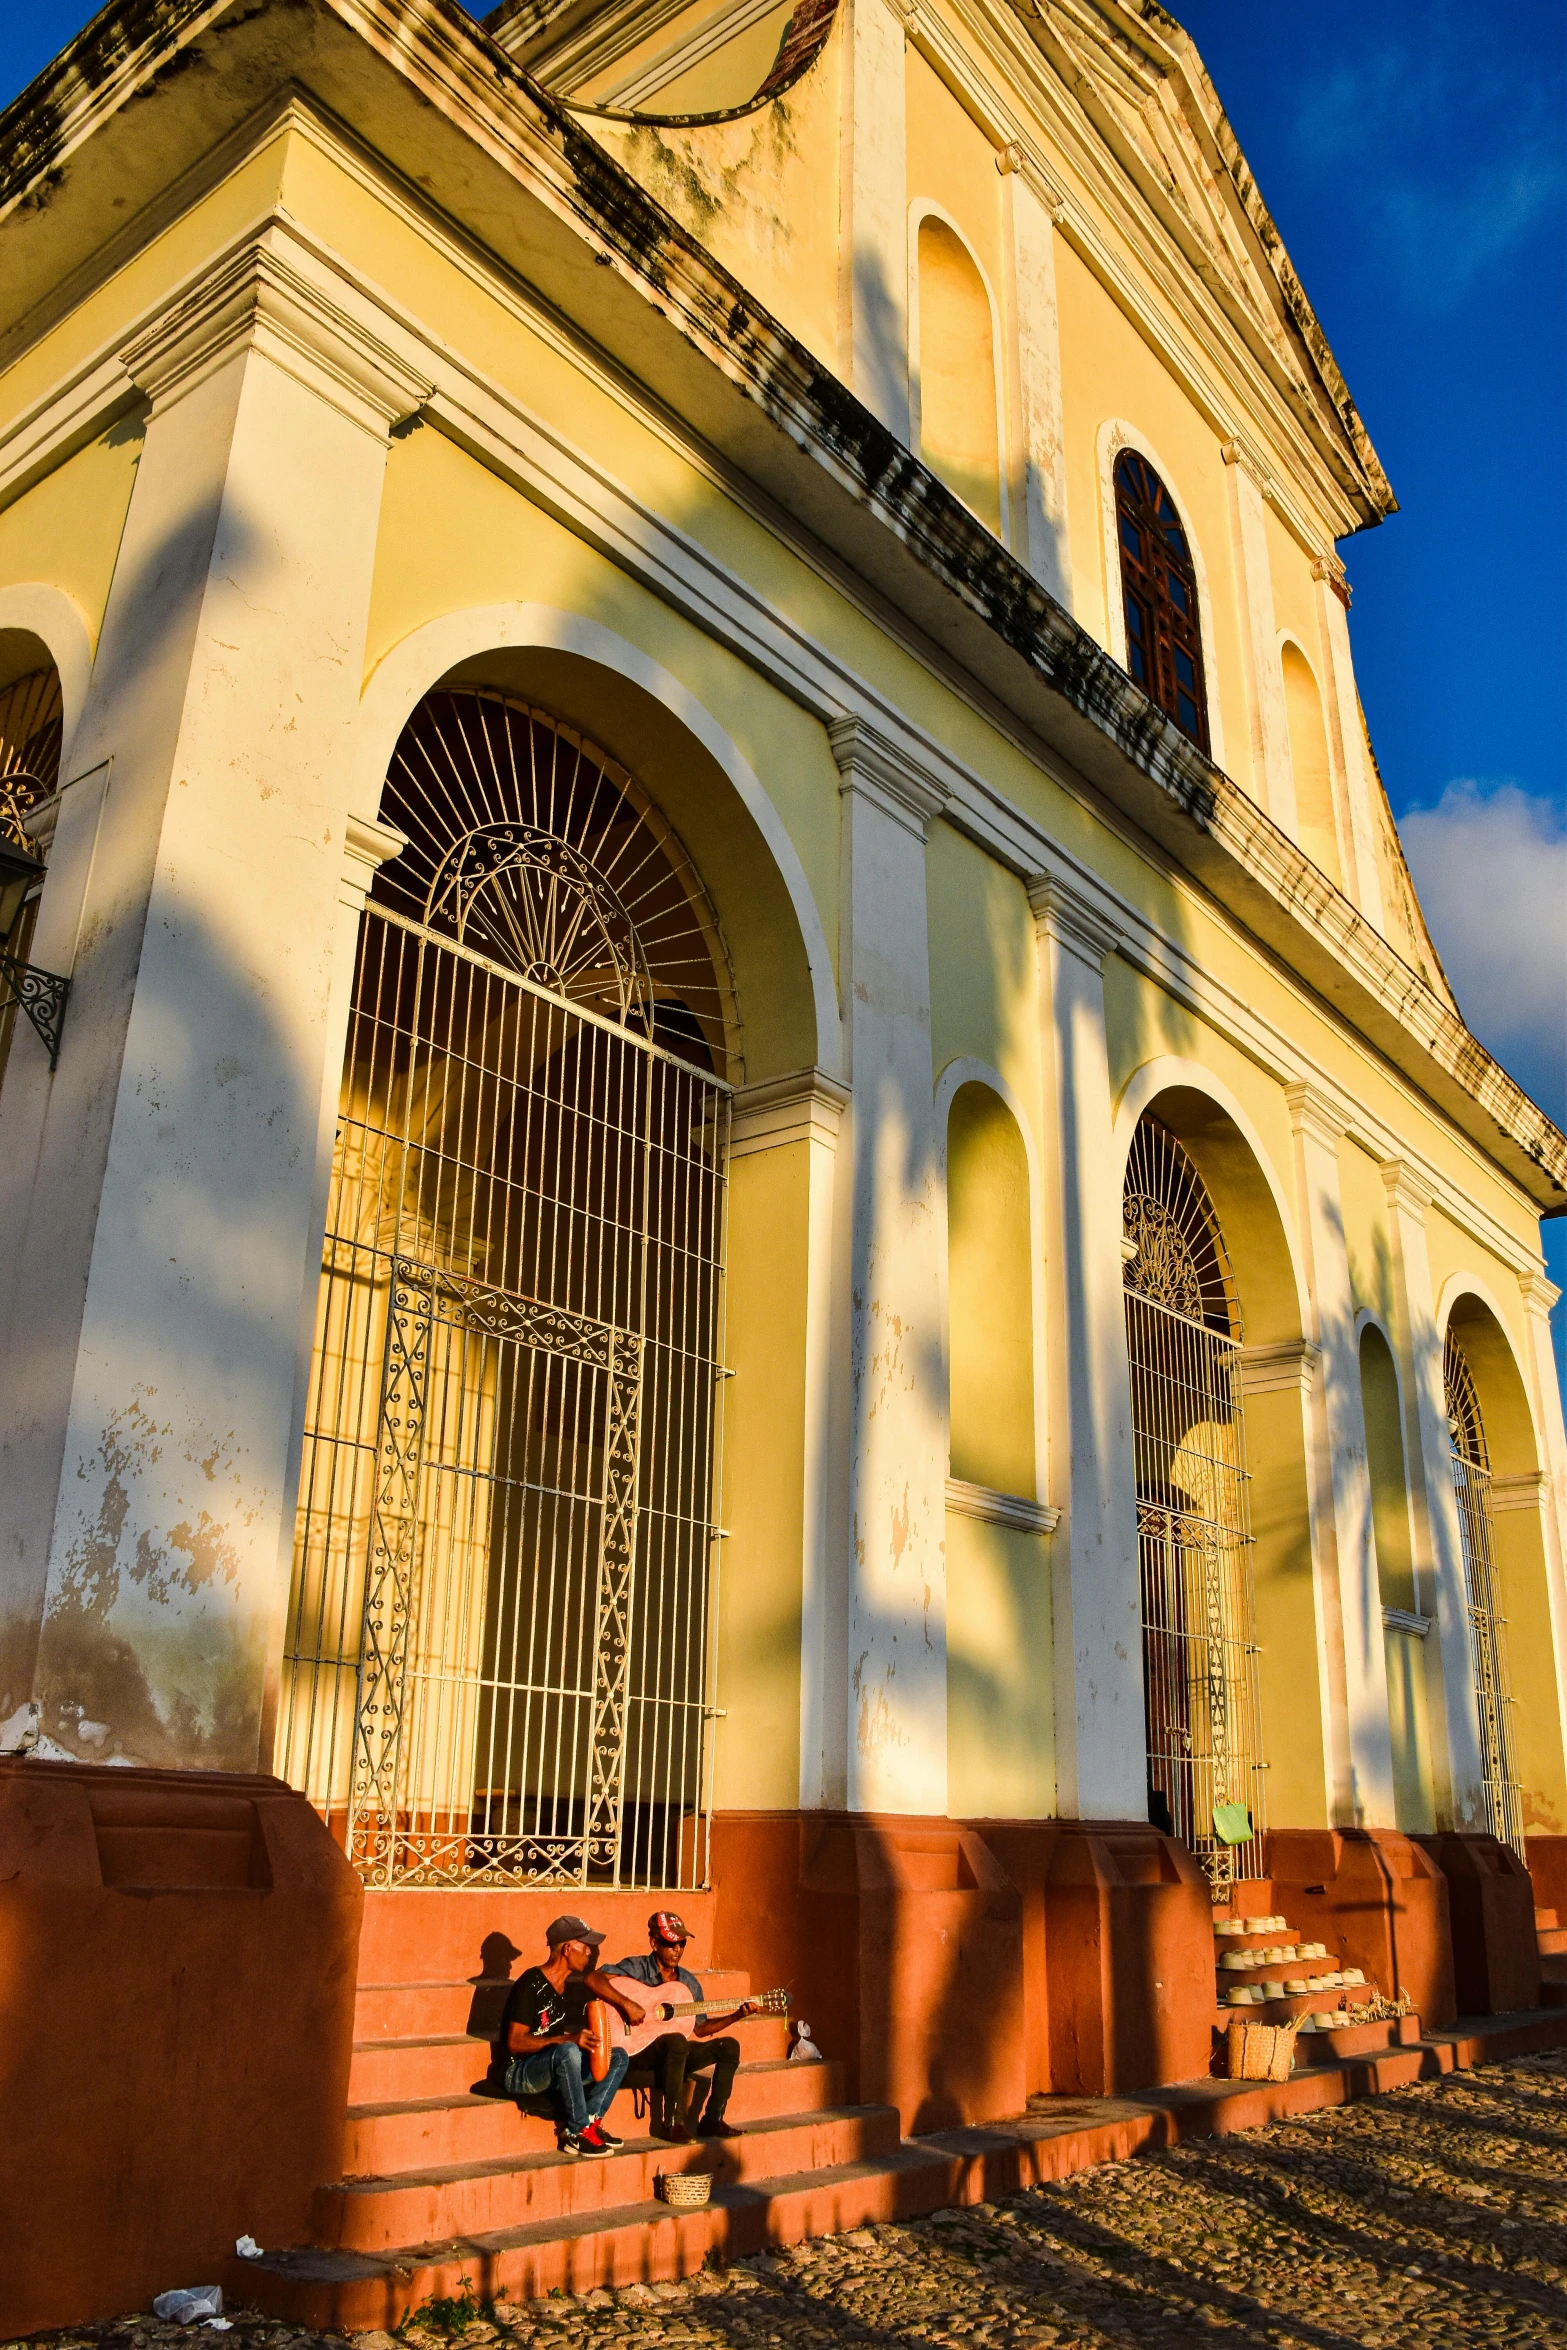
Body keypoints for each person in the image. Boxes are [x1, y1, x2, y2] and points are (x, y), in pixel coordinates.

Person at [490, 1914, 645, 2157]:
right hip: (518, 2071)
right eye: (585, 1947)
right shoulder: (530, 1983)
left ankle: (591, 2122)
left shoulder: (564, 1987)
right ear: (567, 1948)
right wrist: (567, 2040)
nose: (589, 1954)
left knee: (618, 2056)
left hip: (548, 2062)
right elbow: (515, 2042)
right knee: (568, 2051)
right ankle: (576, 2132)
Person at [606, 1910, 754, 2142]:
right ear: (654, 1943)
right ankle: (672, 2124)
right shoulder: (636, 1968)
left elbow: (701, 2028)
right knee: (676, 2041)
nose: (677, 1950)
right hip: (636, 2050)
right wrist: (626, 2004)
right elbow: (593, 1979)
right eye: (670, 1943)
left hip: (674, 2055)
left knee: (729, 2046)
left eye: (681, 1943)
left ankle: (712, 2119)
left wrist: (737, 2015)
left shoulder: (688, 1983)